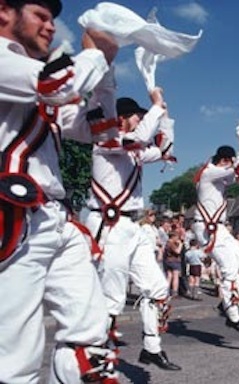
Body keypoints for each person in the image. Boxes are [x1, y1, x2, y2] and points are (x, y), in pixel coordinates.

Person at [0, 0, 123, 381]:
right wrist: (94, 54)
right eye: (41, 15)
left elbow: (99, 132)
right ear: (4, 11)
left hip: (55, 218)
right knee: (13, 359)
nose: (51, 26)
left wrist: (105, 73)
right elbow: (57, 85)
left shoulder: (31, 80)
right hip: (13, 214)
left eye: (53, 19)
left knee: (90, 342)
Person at [85, 89, 181, 371]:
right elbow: (136, 139)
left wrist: (164, 115)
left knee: (158, 287)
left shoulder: (134, 152)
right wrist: (154, 108)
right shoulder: (105, 140)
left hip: (131, 226)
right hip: (108, 226)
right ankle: (97, 361)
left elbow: (165, 151)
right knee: (112, 297)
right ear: (124, 119)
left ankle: (151, 348)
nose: (142, 122)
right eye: (138, 117)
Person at [192, 133, 239, 334]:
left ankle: (225, 303)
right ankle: (233, 316)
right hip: (208, 228)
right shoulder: (210, 172)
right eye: (230, 161)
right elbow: (238, 170)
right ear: (224, 161)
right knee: (229, 269)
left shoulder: (217, 176)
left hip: (219, 228)